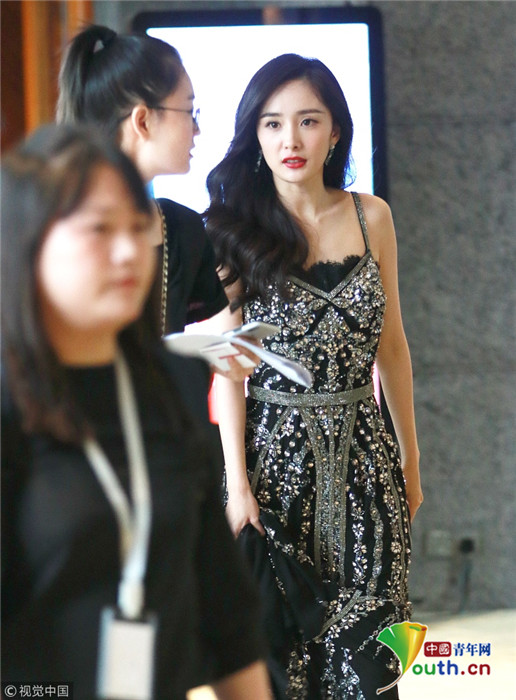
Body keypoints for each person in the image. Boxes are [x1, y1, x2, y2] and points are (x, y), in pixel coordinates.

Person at [1, 124, 271, 700]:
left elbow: (226, 615)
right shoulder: (11, 404)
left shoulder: (172, 383)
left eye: (136, 226)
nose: (129, 251)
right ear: (29, 242)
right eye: (99, 229)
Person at [205, 54, 424, 699]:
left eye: (308, 120)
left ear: (335, 131)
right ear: (255, 136)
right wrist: (236, 486)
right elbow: (229, 372)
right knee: (286, 666)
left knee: (377, 661)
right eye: (272, 124)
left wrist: (411, 460)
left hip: (369, 466)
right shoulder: (233, 231)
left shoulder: (372, 217)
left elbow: (393, 348)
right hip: (274, 472)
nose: (290, 140)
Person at [56, 24, 256, 379]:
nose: (197, 129)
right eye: (189, 111)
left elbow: (205, 356)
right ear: (143, 120)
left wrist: (221, 358)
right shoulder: (54, 227)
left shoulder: (182, 229)